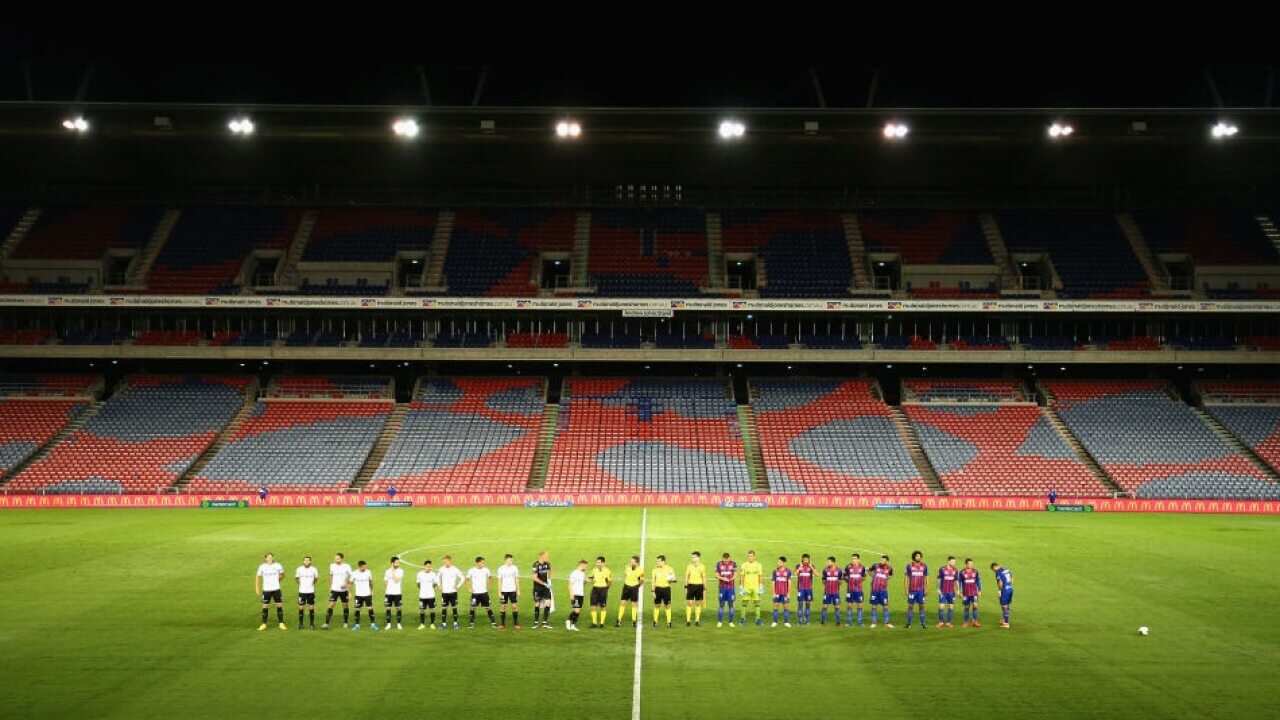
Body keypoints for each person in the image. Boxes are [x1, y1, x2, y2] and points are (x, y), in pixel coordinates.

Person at [255, 552, 287, 631]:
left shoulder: (278, 565)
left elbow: (283, 574)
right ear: (265, 558)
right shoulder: (262, 567)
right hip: (266, 590)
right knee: (265, 606)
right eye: (268, 557)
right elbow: (258, 577)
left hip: (276, 589)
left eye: (271, 557)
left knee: (279, 605)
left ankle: (281, 623)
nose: (270, 558)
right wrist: (257, 588)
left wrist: (278, 580)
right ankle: (264, 624)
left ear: (273, 558)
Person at [323, 552, 353, 629]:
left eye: (338, 558)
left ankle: (345, 623)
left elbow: (351, 578)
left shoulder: (347, 566)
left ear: (342, 559)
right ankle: (326, 623)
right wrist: (330, 588)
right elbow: (331, 576)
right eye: (335, 558)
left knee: (345, 606)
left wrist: (348, 589)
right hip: (334, 590)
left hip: (344, 590)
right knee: (331, 605)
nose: (336, 560)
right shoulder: (332, 566)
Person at [466, 556, 496, 628]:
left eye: (483, 563)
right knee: (473, 607)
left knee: (488, 607)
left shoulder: (486, 570)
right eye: (482, 563)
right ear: (477, 563)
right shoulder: (471, 570)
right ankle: (471, 624)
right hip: (475, 594)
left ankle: (493, 623)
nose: (483, 564)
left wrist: (489, 587)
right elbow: (467, 579)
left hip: (484, 593)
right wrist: (469, 588)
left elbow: (490, 578)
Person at [437, 555, 465, 629]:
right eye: (444, 562)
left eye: (446, 561)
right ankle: (443, 624)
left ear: (450, 561)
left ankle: (455, 623)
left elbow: (462, 578)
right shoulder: (441, 569)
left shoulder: (455, 569)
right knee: (444, 608)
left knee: (454, 607)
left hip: (453, 592)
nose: (445, 563)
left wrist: (458, 586)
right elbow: (437, 577)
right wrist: (439, 585)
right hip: (444, 592)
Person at [616, 555, 644, 628]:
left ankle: (634, 621)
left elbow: (641, 580)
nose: (630, 562)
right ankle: (619, 620)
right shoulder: (627, 568)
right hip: (626, 587)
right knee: (622, 603)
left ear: (637, 563)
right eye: (630, 561)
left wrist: (637, 586)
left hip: (634, 588)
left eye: (632, 561)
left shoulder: (640, 570)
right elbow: (626, 575)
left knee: (634, 604)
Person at [739, 550, 765, 626]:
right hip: (746, 587)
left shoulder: (758, 565)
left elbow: (760, 576)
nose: (749, 557)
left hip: (756, 587)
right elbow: (742, 576)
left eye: (751, 556)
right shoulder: (744, 565)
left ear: (754, 557)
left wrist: (761, 586)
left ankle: (758, 619)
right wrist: (741, 587)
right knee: (744, 603)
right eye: (748, 556)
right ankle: (742, 619)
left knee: (757, 603)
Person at [905, 551, 928, 630]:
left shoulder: (924, 566)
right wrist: (906, 589)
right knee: (910, 606)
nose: (918, 557)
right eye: (917, 556)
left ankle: (923, 623)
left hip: (921, 591)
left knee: (922, 606)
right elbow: (907, 578)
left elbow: (926, 578)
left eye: (919, 556)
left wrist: (926, 588)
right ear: (914, 557)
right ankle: (908, 623)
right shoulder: (909, 566)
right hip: (912, 590)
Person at [651, 554, 676, 628]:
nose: (657, 563)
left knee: (667, 606)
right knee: (657, 605)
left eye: (658, 561)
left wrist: (671, 579)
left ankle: (669, 622)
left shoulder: (670, 569)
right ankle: (655, 622)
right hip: (657, 589)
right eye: (657, 561)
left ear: (663, 561)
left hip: (666, 589)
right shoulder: (654, 570)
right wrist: (653, 591)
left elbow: (674, 579)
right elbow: (653, 581)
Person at [350, 560, 376, 631]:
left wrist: (372, 591)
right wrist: (349, 592)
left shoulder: (368, 572)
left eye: (366, 566)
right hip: (358, 595)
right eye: (364, 567)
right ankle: (357, 625)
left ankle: (373, 624)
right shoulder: (354, 573)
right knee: (357, 609)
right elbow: (350, 583)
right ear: (359, 566)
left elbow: (371, 582)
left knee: (370, 608)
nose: (365, 568)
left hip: (367, 594)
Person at [295, 555, 319, 630]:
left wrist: (311, 584)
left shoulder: (314, 569)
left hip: (311, 591)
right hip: (302, 592)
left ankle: (312, 624)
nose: (306, 562)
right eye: (305, 560)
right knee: (301, 607)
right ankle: (301, 624)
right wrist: (301, 584)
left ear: (310, 561)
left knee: (311, 607)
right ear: (303, 561)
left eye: (308, 560)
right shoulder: (299, 569)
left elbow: (316, 578)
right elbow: (296, 578)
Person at [869, 555, 893, 628]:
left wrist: (884, 579)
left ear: (886, 561)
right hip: (875, 589)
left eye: (883, 560)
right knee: (874, 606)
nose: (881, 561)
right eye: (881, 560)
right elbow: (869, 571)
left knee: (885, 606)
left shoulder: (890, 568)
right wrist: (873, 576)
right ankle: (873, 622)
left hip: (883, 590)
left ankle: (887, 623)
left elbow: (890, 575)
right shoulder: (875, 565)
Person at [497, 554, 521, 630]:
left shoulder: (515, 568)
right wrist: (499, 592)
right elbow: (499, 581)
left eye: (512, 560)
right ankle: (502, 624)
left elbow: (516, 579)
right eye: (510, 560)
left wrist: (518, 590)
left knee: (514, 606)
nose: (511, 561)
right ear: (506, 560)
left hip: (512, 590)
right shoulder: (500, 569)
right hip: (504, 591)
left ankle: (516, 623)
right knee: (503, 606)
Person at [531, 551, 553, 630]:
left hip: (546, 587)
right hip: (538, 588)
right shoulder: (536, 565)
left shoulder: (547, 564)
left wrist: (549, 580)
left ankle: (545, 622)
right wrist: (544, 583)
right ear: (541, 556)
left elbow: (550, 572)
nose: (548, 557)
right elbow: (534, 577)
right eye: (546, 556)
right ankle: (536, 622)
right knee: (537, 603)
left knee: (548, 603)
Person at [683, 551, 707, 627]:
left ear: (698, 557)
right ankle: (688, 621)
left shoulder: (702, 566)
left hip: (699, 586)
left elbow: (704, 577)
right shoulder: (689, 566)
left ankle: (697, 621)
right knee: (689, 603)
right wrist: (685, 587)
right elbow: (686, 577)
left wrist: (704, 588)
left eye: (694, 557)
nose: (692, 558)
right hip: (690, 586)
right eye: (692, 557)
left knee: (698, 603)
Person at [588, 556, 612, 629]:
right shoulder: (594, 570)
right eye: (597, 562)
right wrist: (592, 580)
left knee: (603, 606)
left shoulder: (607, 571)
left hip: (603, 589)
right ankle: (594, 623)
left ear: (603, 563)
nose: (597, 564)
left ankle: (602, 623)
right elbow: (589, 577)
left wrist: (606, 588)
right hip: (595, 589)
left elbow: (610, 581)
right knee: (593, 606)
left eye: (598, 562)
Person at [715, 552, 738, 628]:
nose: (726, 562)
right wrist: (722, 578)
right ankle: (720, 622)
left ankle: (731, 622)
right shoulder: (718, 564)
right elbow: (716, 575)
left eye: (727, 560)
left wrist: (731, 578)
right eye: (724, 560)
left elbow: (735, 574)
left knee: (731, 605)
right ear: (722, 558)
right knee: (721, 605)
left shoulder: (733, 564)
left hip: (731, 588)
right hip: (722, 588)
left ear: (729, 558)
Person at [844, 552, 866, 627]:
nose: (853, 560)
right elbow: (845, 576)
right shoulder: (848, 567)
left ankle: (860, 622)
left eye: (855, 559)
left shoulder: (862, 567)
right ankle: (849, 622)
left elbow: (864, 577)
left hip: (859, 590)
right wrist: (848, 580)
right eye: (852, 559)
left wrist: (859, 580)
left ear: (858, 559)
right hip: (850, 589)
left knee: (860, 605)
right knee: (849, 605)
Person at [416, 559, 439, 629]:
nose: (428, 568)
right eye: (427, 566)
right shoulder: (419, 574)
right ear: (424, 566)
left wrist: (432, 588)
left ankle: (432, 624)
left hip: (431, 595)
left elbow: (435, 583)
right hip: (422, 596)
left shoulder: (433, 574)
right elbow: (418, 584)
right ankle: (422, 624)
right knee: (422, 610)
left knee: (432, 609)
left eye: (430, 566)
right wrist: (423, 589)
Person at [936, 556, 959, 628]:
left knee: (951, 607)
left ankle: (949, 622)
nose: (954, 563)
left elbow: (956, 581)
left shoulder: (955, 570)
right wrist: (938, 589)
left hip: (951, 592)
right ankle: (941, 622)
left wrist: (958, 590)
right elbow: (939, 579)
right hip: (943, 591)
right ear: (948, 561)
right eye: (952, 561)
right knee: (941, 607)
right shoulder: (942, 569)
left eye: (954, 562)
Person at [770, 556, 792, 628]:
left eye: (779, 562)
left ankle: (786, 622)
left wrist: (788, 593)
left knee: (786, 607)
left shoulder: (788, 571)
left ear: (783, 563)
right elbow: (773, 583)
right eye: (778, 562)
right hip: (777, 593)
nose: (778, 563)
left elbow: (789, 582)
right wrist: (773, 593)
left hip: (785, 593)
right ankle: (775, 622)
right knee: (776, 607)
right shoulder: (775, 571)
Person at [794, 554, 816, 625]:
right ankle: (799, 620)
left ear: (809, 560)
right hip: (801, 589)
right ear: (802, 559)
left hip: (809, 589)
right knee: (800, 604)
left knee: (808, 605)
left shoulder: (811, 566)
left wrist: (811, 567)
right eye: (804, 559)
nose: (806, 561)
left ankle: (807, 620)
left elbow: (817, 574)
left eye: (807, 559)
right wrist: (800, 567)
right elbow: (795, 573)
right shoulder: (798, 566)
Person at [384, 556, 405, 630]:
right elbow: (385, 582)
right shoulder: (387, 571)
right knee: (388, 608)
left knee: (398, 608)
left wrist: (392, 571)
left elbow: (396, 580)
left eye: (398, 562)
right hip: (388, 593)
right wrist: (387, 590)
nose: (398, 564)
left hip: (397, 593)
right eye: (396, 562)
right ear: (392, 563)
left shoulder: (401, 571)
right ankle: (388, 624)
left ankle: (399, 624)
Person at [820, 556, 842, 625]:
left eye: (829, 562)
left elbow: (840, 581)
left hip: (835, 592)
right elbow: (823, 580)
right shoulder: (825, 570)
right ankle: (823, 621)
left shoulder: (839, 570)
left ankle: (838, 622)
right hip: (827, 592)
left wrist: (837, 583)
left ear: (833, 562)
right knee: (824, 606)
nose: (827, 563)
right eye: (827, 562)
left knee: (837, 607)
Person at [959, 559, 982, 627]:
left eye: (972, 564)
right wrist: (960, 591)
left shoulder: (975, 571)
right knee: (966, 607)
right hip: (966, 593)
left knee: (975, 606)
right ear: (966, 564)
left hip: (974, 592)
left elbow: (978, 581)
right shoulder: (962, 572)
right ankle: (966, 622)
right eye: (969, 564)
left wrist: (980, 590)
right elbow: (959, 582)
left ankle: (975, 621)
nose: (971, 565)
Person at [567, 559, 588, 631]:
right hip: (575, 594)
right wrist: (571, 595)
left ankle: (573, 625)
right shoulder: (574, 573)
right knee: (576, 610)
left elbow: (582, 583)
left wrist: (585, 581)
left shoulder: (583, 573)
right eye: (586, 566)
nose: (586, 567)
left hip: (581, 594)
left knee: (578, 610)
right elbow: (570, 584)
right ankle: (568, 620)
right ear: (581, 565)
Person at [991, 562, 1014, 628]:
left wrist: (1000, 591)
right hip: (1010, 589)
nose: (994, 571)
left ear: (994, 567)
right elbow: (1012, 579)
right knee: (1007, 604)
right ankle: (1004, 619)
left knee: (1004, 606)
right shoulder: (1007, 570)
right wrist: (1009, 586)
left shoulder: (998, 573)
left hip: (1004, 591)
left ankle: (1006, 623)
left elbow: (1000, 583)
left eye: (993, 570)